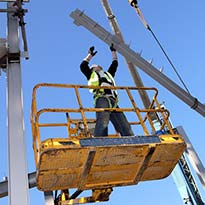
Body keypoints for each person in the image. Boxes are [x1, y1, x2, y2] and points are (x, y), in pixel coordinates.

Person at [80, 44, 134, 137]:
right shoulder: (91, 74)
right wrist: (90, 55)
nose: (97, 66)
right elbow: (83, 66)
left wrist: (113, 51)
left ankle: (131, 139)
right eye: (94, 66)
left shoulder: (108, 74)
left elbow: (114, 64)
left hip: (113, 101)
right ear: (92, 69)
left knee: (124, 124)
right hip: (102, 98)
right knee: (103, 121)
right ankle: (100, 141)